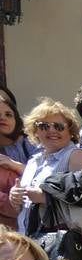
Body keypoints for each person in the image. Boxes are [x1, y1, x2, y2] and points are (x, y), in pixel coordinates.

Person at [10, 99, 82, 244]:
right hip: (34, 242)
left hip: (71, 245)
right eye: (44, 126)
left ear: (71, 132)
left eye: (59, 126)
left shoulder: (76, 156)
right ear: (35, 131)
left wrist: (45, 198)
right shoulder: (34, 162)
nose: (52, 130)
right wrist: (16, 198)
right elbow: (25, 209)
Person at [0, 92, 32, 231]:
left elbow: (47, 175)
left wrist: (14, 165)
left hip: (33, 217)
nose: (3, 118)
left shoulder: (30, 142)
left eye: (8, 114)